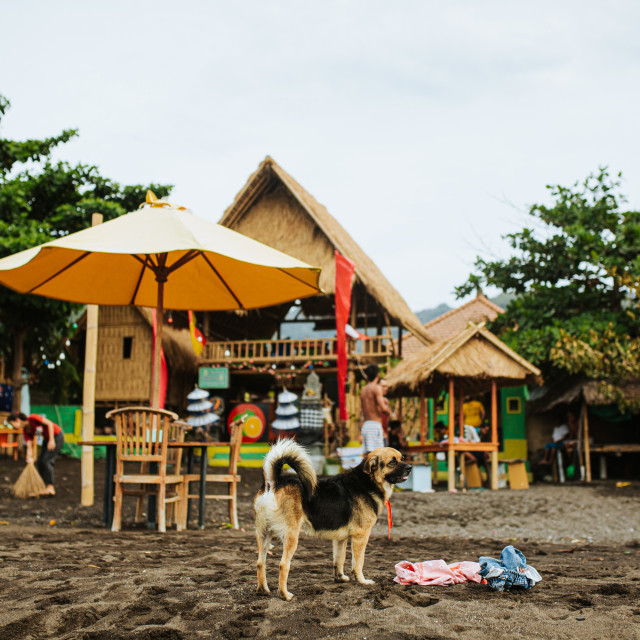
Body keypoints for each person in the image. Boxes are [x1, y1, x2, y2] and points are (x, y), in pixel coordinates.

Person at [8, 412, 64, 496]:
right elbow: (29, 446)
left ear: (17, 420)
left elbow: (49, 424)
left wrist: (52, 440)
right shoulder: (26, 431)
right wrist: (29, 458)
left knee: (46, 461)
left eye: (13, 424)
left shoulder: (33, 418)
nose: (14, 427)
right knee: (39, 462)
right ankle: (44, 486)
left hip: (56, 436)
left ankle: (50, 487)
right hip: (47, 439)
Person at [359, 364, 390, 453]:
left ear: (366, 376)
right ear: (378, 375)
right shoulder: (376, 388)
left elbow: (362, 413)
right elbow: (383, 408)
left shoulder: (363, 390)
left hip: (365, 426)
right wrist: (389, 412)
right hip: (375, 425)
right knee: (378, 455)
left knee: (368, 457)